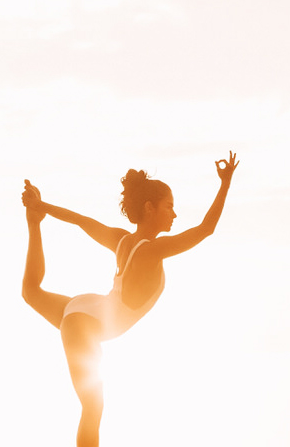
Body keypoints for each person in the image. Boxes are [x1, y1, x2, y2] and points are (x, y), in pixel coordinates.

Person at [21, 151, 239, 447]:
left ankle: (33, 224)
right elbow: (206, 229)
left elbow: (80, 220)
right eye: (169, 207)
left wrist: (39, 207)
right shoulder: (152, 250)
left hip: (87, 309)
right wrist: (225, 184)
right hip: (86, 321)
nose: (174, 214)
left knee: (31, 292)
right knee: (93, 407)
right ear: (150, 208)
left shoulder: (122, 239)